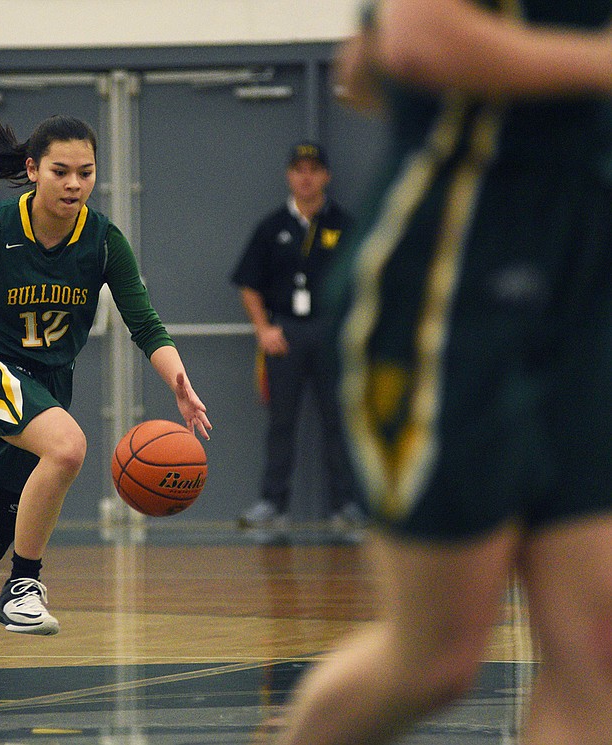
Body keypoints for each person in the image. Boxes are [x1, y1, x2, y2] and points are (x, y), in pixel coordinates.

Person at [274, 1, 612, 743]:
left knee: (595, 649)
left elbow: (364, 65)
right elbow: (417, 40)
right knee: (436, 658)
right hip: (447, 295)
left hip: (580, 286)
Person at [0, 115, 212, 680]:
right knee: (69, 448)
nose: (74, 184)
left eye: (86, 172)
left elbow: (145, 324)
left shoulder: (102, 241)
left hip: (47, 385)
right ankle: (23, 585)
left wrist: (179, 382)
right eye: (61, 172)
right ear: (32, 171)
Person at [231, 142, 359, 532]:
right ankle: (273, 503)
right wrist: (264, 329)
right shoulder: (272, 227)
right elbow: (248, 284)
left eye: (314, 170)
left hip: (329, 332)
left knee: (338, 420)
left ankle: (347, 505)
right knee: (281, 421)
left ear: (326, 176)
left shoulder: (344, 224)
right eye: (299, 170)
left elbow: (362, 280)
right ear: (290, 175)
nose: (306, 177)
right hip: (285, 332)